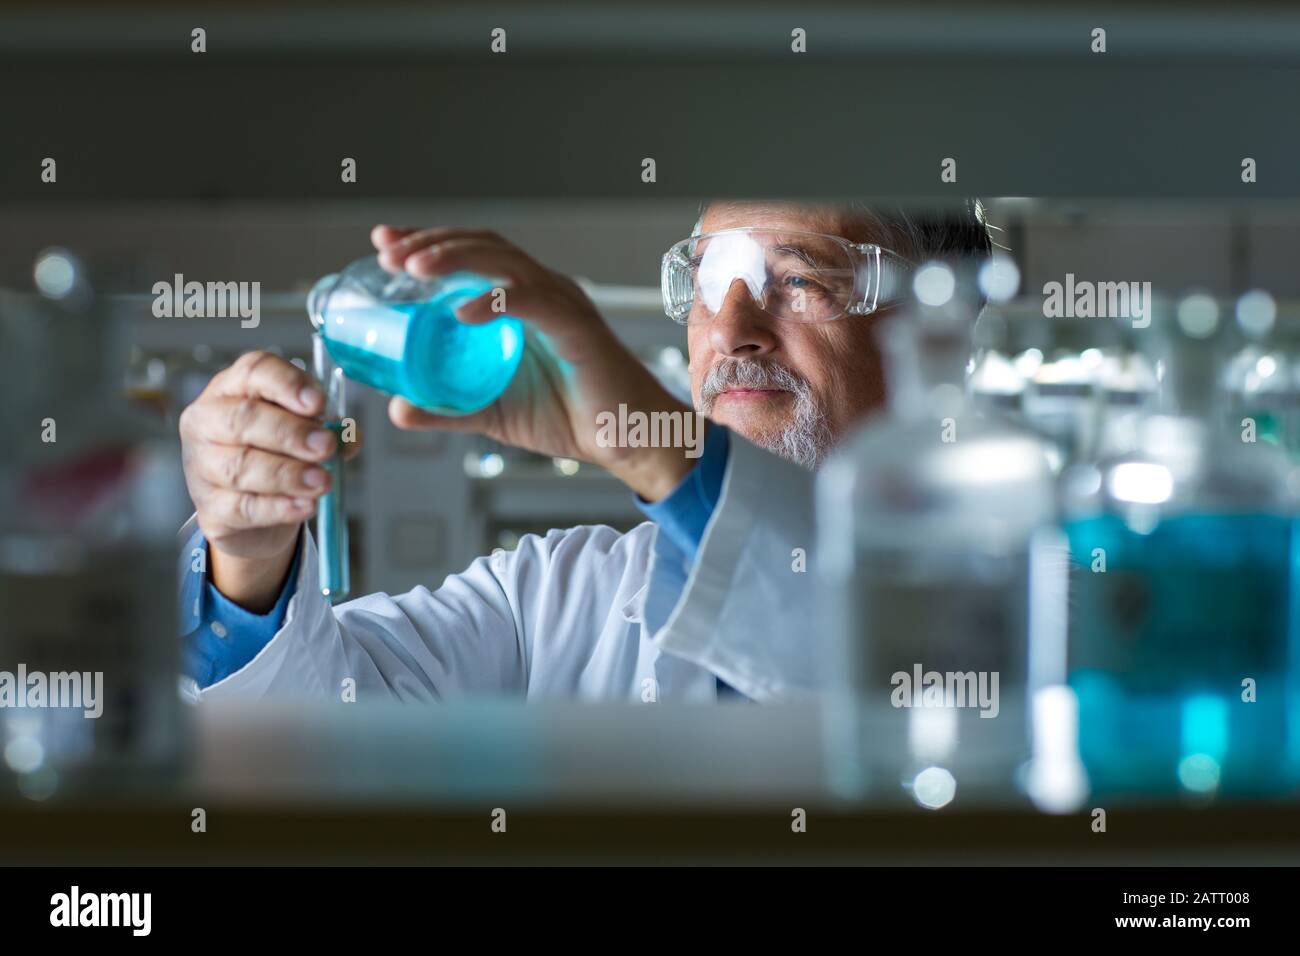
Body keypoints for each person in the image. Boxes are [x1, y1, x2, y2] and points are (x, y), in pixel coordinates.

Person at [177, 199, 992, 702]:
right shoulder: (548, 599)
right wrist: (248, 559)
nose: (734, 333)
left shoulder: (1041, 595)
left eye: (802, 280)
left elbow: (889, 656)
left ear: (940, 332)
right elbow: (330, 744)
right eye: (710, 285)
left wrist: (653, 448)